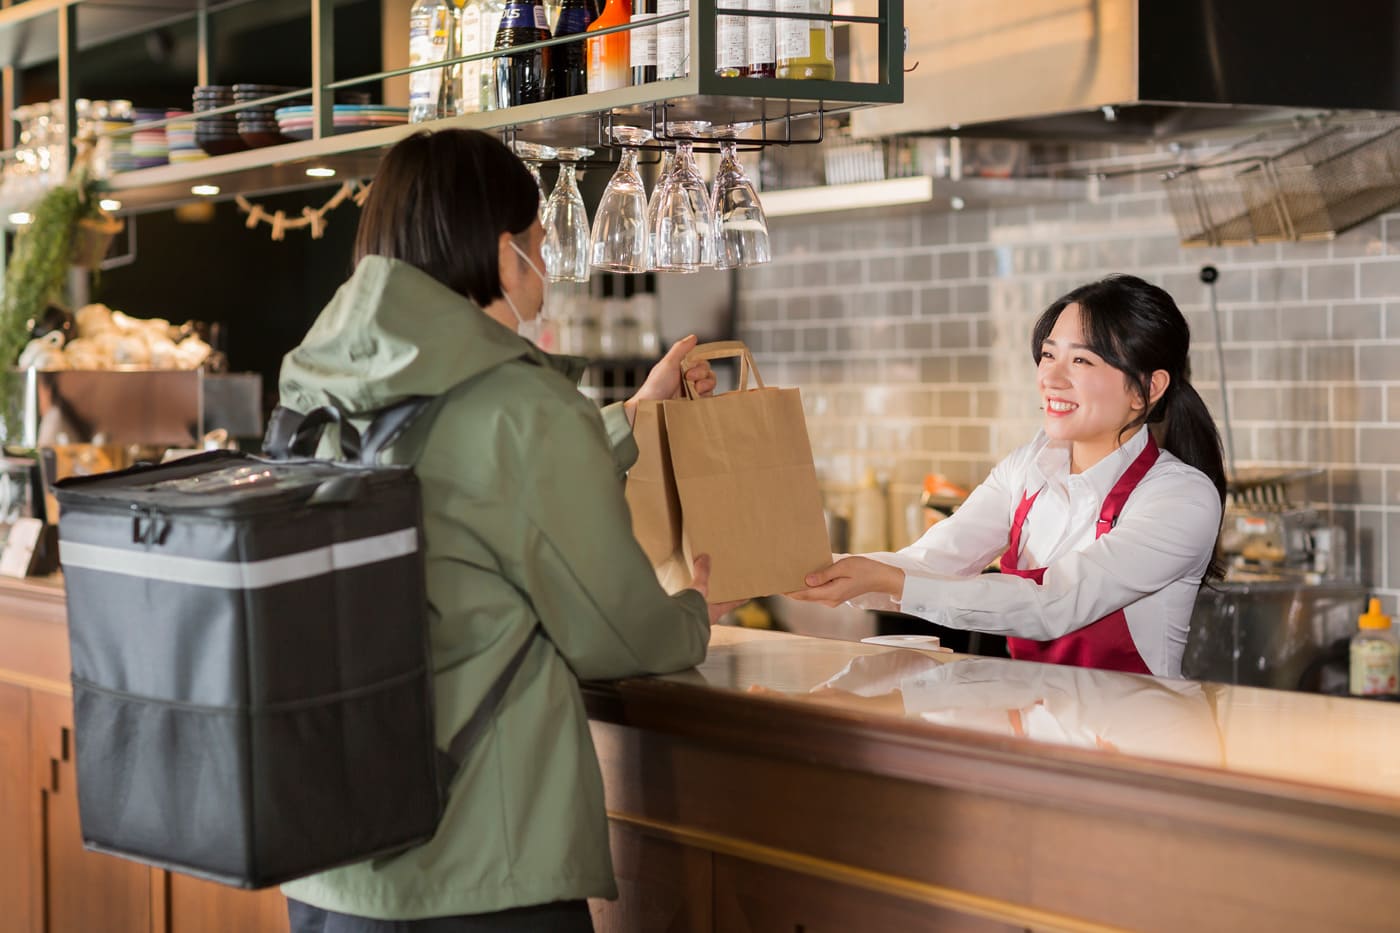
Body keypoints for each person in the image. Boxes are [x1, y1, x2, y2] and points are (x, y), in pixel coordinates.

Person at [275, 128, 735, 932]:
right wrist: (693, 607)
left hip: (328, 861)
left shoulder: (321, 392)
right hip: (479, 871)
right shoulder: (520, 406)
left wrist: (635, 415)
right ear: (501, 253)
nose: (547, 265)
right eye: (539, 241)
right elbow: (621, 633)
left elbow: (469, 483)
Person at [791, 275, 1226, 679]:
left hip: (1132, 746)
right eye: (1049, 355)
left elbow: (1055, 603)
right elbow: (935, 561)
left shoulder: (1181, 497)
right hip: (1034, 734)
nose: (1051, 378)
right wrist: (820, 572)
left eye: (1081, 360)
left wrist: (891, 582)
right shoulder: (1029, 468)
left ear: (1147, 389)